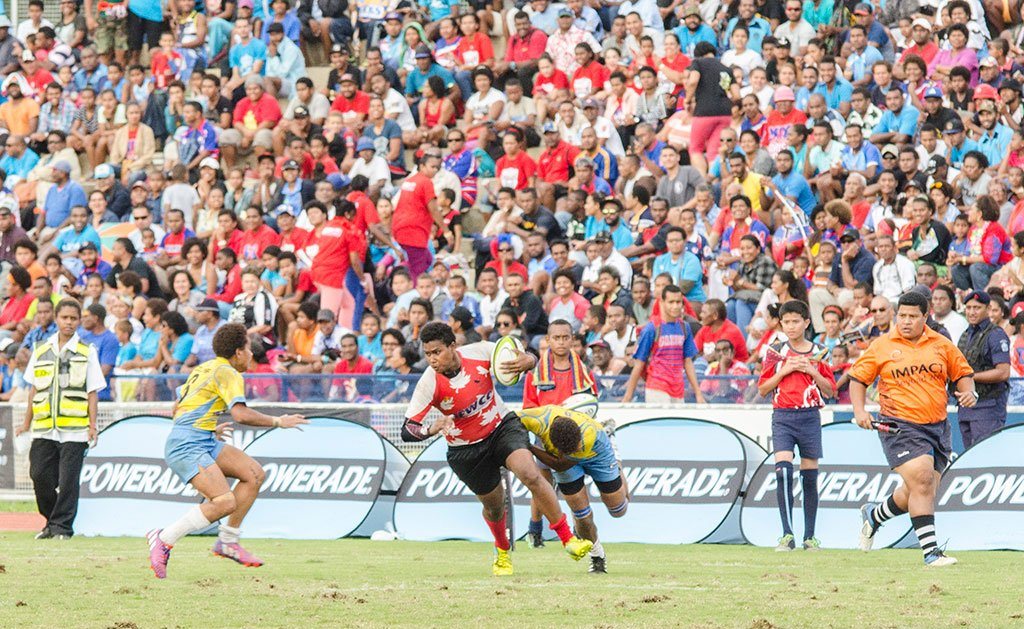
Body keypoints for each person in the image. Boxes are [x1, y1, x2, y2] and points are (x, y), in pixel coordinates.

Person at [400, 322, 592, 576]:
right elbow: (407, 429)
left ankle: (569, 539)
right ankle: (502, 550)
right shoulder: (428, 384)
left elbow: (521, 356)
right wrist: (429, 430)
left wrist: (530, 360)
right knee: (494, 506)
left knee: (530, 474)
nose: (432, 360)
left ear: (453, 346)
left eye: (437, 352)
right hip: (465, 449)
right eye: (428, 354)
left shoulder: (480, 352)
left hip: (501, 427)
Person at [147, 323, 308, 579]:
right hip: (187, 445)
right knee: (224, 502)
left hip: (201, 438)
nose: (252, 353)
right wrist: (279, 421)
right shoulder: (228, 372)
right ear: (238, 352)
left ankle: (228, 542)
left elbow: (178, 406)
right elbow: (241, 414)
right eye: (248, 348)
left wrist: (207, 428)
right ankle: (164, 538)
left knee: (254, 474)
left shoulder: (205, 367)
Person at [850, 292, 976, 567]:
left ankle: (874, 515)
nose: (905, 322)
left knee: (922, 489)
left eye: (912, 316)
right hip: (898, 424)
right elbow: (858, 379)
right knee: (921, 478)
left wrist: (970, 393)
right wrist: (860, 411)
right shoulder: (882, 345)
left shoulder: (942, 344)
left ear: (925, 316)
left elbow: (963, 375)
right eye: (902, 316)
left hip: (937, 426)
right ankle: (931, 553)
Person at [15, 299, 105, 540]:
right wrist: (26, 423)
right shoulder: (41, 349)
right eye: (64, 318)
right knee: (39, 476)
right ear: (56, 318)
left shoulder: (87, 352)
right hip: (44, 427)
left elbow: (92, 391)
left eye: (73, 318)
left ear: (78, 321)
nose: (69, 322)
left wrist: (92, 425)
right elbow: (34, 389)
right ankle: (51, 521)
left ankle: (62, 528)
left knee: (68, 482)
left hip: (75, 428)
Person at [756, 301, 835, 552]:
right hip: (782, 416)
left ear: (806, 323)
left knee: (809, 475)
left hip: (810, 416)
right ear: (781, 324)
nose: (791, 326)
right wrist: (784, 371)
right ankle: (786, 535)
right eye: (786, 322)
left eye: (795, 321)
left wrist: (812, 370)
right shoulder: (776, 352)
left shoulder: (820, 352)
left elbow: (830, 390)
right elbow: (762, 389)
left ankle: (809, 537)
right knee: (783, 471)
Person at [519, 404, 626, 574]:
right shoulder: (537, 418)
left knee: (618, 510)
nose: (577, 447)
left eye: (576, 445)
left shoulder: (587, 436)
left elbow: (559, 465)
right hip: (565, 461)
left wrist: (530, 447)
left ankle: (615, 456)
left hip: (598, 454)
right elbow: (509, 421)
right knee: (582, 516)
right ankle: (597, 555)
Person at [621, 284, 704, 404]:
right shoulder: (652, 328)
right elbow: (639, 363)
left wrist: (698, 393)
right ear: (662, 302)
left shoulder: (684, 327)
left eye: (678, 302)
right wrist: (627, 397)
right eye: (671, 302)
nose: (675, 306)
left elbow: (688, 361)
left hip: (678, 388)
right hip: (657, 387)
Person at [956, 291, 1010, 448]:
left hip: (988, 406)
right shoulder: (966, 334)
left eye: (977, 308)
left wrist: (970, 377)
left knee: (986, 453)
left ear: (987, 309)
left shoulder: (995, 335)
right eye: (969, 307)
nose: (972, 312)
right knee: (969, 456)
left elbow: (1003, 372)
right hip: (966, 406)